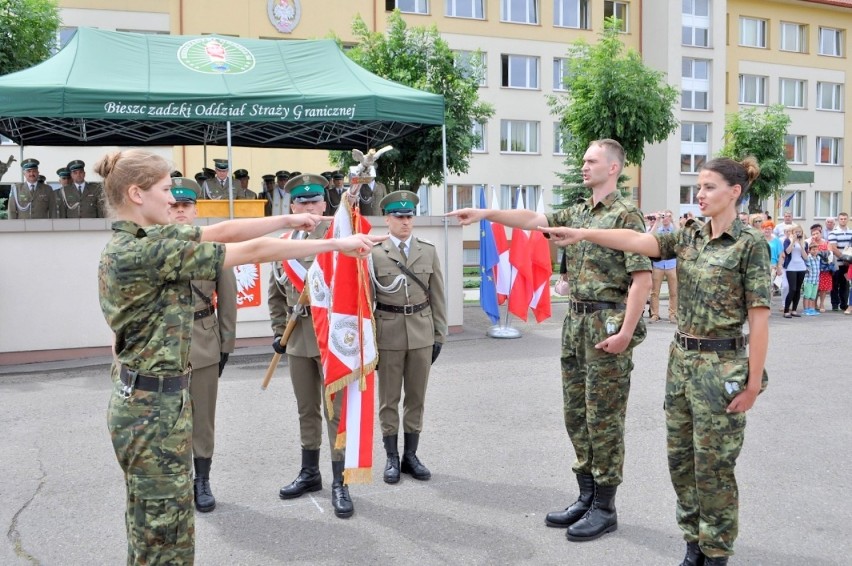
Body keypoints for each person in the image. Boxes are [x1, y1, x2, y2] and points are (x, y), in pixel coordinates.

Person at [97, 149, 384, 564]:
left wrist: (290, 220)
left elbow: (226, 230)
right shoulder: (143, 252)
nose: (171, 199)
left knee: (161, 524)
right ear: (137, 194)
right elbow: (249, 252)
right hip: (150, 411)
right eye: (164, 190)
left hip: (154, 403)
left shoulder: (145, 240)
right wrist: (338, 242)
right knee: (161, 535)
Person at [538, 156, 770, 565]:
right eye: (698, 187)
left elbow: (760, 317)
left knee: (713, 469)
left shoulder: (748, 244)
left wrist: (753, 382)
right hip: (681, 363)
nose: (700, 194)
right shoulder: (689, 235)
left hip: (722, 367)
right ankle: (692, 547)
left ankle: (715, 553)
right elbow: (639, 243)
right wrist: (582, 233)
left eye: (710, 187)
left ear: (734, 192)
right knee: (681, 463)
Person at [448, 139, 652, 543]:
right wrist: (489, 212)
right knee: (576, 413)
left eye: (591, 161)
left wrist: (626, 332)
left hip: (606, 322)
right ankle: (586, 495)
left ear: (613, 167)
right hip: (575, 322)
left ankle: (606, 507)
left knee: (604, 419)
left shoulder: (626, 214)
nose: (583, 166)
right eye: (583, 161)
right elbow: (531, 219)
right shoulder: (577, 211)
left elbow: (641, 278)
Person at [267, 173, 354, 519]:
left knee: (335, 411)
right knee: (307, 409)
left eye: (314, 200)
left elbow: (357, 291)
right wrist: (279, 331)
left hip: (332, 339)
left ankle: (340, 481)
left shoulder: (338, 239)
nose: (308, 206)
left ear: (325, 203)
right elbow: (275, 295)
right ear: (292, 206)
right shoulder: (284, 242)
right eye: (301, 202)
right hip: (299, 339)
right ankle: (310, 473)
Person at [167, 177, 238, 513]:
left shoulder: (212, 247)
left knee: (203, 416)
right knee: (167, 417)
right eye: (174, 206)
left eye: (186, 206)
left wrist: (226, 344)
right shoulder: (149, 246)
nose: (180, 212)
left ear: (195, 210)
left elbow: (228, 297)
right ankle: (174, 481)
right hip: (163, 347)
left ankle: (202, 480)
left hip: (203, 339)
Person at [372, 190, 447, 485]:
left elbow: (437, 295)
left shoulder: (427, 250)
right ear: (387, 219)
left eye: (409, 216)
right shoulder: (375, 253)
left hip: (421, 332)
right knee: (389, 399)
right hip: (387, 333)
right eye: (399, 217)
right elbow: (367, 299)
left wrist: (439, 334)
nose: (405, 222)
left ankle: (410, 456)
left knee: (416, 398)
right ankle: (391, 457)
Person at [649, 210, 678, 323]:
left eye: (667, 217)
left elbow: (681, 233)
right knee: (655, 292)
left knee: (673, 292)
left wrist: (673, 220)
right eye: (664, 217)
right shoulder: (658, 230)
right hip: (658, 264)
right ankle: (655, 314)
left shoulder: (674, 230)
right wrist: (657, 221)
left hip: (671, 264)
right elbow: (650, 236)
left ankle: (672, 314)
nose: (665, 219)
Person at [827, 212, 851, 312]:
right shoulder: (833, 232)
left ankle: (844, 304)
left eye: (845, 219)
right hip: (837, 263)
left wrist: (848, 260)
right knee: (835, 284)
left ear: (848, 219)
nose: (843, 220)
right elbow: (833, 247)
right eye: (841, 219)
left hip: (848, 263)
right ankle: (835, 304)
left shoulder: (851, 232)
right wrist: (843, 258)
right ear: (838, 220)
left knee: (845, 284)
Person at [782, 225, 808, 318]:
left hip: (801, 267)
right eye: (796, 232)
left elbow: (805, 257)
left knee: (798, 289)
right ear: (792, 233)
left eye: (799, 232)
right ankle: (786, 310)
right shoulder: (787, 241)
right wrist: (793, 241)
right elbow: (787, 252)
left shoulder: (804, 243)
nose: (798, 234)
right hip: (791, 267)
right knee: (792, 288)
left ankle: (794, 310)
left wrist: (801, 244)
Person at [808, 224, 832, 313]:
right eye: (813, 234)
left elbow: (830, 254)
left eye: (817, 233)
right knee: (815, 287)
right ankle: (814, 303)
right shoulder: (810, 243)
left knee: (823, 288)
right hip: (814, 268)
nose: (815, 236)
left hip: (824, 268)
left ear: (821, 233)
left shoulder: (826, 243)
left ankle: (822, 303)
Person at [802, 242, 821, 316]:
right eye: (813, 249)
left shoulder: (818, 258)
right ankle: (806, 309)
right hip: (809, 280)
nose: (815, 251)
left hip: (815, 280)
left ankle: (811, 309)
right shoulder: (808, 257)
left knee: (813, 296)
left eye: (816, 249)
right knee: (807, 295)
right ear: (809, 250)